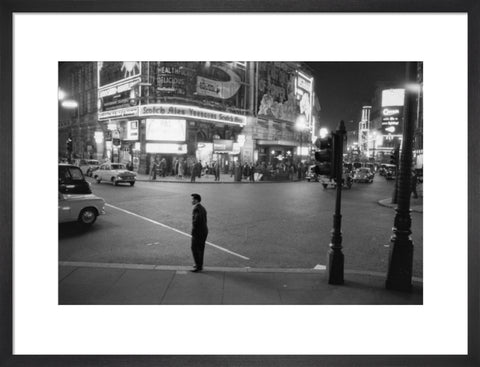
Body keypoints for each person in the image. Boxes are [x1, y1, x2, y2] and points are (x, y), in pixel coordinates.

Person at [190, 193, 208, 272]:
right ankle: (199, 264)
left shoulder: (196, 209)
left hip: (198, 233)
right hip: (204, 231)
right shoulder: (202, 208)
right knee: (201, 249)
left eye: (193, 199)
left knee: (194, 248)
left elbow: (196, 221)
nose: (192, 201)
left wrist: (193, 231)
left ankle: (198, 266)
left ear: (196, 200)